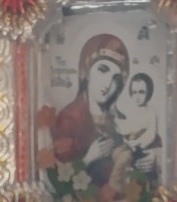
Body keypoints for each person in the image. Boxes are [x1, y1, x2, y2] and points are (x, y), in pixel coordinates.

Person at [49, 31, 131, 186]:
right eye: (103, 70)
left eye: (116, 78)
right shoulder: (68, 119)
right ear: (86, 70)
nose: (108, 84)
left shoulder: (115, 120)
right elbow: (58, 182)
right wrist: (89, 158)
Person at [115, 69, 162, 180]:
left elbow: (151, 134)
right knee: (118, 156)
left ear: (148, 92)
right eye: (134, 92)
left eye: (141, 92)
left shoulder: (150, 111)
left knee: (142, 171)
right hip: (131, 145)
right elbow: (126, 128)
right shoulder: (131, 111)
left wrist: (137, 143)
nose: (137, 96)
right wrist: (118, 124)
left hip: (144, 147)